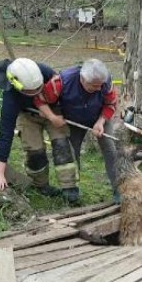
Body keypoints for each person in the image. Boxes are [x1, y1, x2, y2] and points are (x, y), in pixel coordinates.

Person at [33, 59, 119, 203]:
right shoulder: (60, 82)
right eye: (94, 86)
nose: (99, 89)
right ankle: (73, 190)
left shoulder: (106, 83)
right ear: (82, 79)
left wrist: (101, 121)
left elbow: (111, 103)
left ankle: (119, 189)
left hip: (99, 115)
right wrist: (52, 117)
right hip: (74, 118)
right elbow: (40, 99)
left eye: (100, 86)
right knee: (72, 152)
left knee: (110, 149)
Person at [0, 57, 64, 198]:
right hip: (27, 114)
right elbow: (5, 134)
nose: (36, 93)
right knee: (35, 152)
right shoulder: (11, 99)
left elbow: (62, 91)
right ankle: (41, 186)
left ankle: (70, 189)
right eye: (32, 91)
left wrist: (50, 112)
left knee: (62, 145)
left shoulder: (45, 72)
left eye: (38, 89)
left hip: (54, 109)